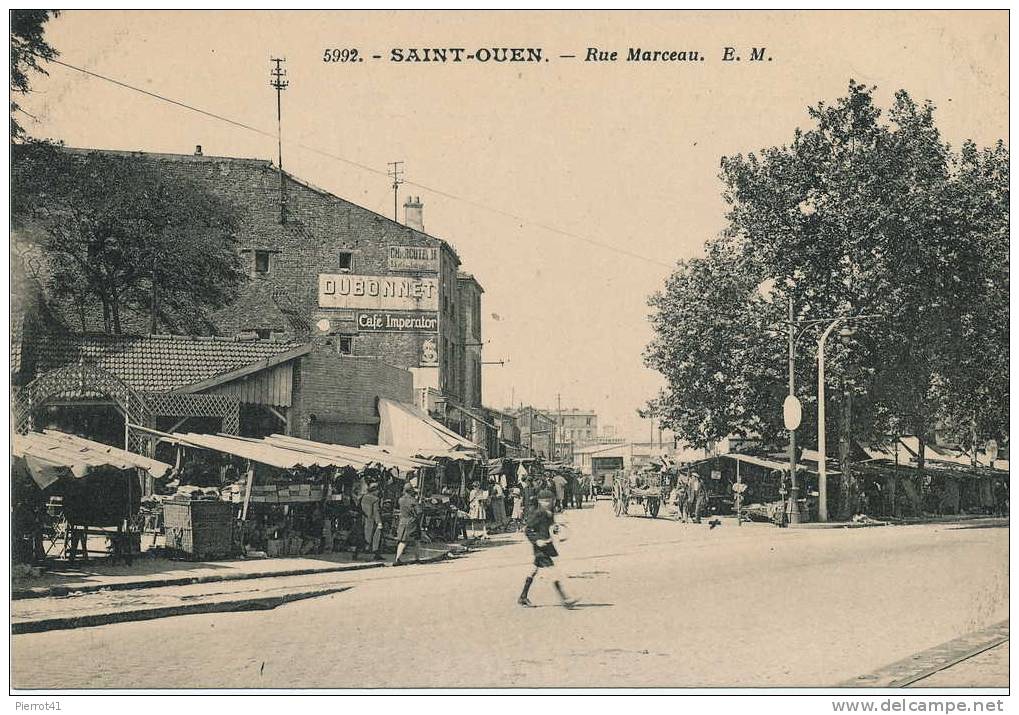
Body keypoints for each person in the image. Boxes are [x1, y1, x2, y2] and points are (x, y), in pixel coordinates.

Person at [517, 489, 577, 609]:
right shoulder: (538, 513)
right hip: (540, 547)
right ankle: (565, 599)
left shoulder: (549, 513)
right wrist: (537, 540)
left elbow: (550, 528)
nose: (548, 503)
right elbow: (528, 529)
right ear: (539, 501)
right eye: (545, 501)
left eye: (550, 500)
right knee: (553, 571)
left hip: (546, 545)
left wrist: (556, 530)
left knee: (533, 570)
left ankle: (523, 596)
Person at [393, 483, 421, 566]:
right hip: (412, 522)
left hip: (403, 521)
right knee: (416, 541)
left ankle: (397, 558)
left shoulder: (400, 500)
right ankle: (417, 559)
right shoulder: (413, 500)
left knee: (402, 541)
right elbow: (419, 511)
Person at [354, 482, 383, 561]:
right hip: (371, 521)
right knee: (375, 538)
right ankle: (375, 554)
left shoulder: (362, 497)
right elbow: (376, 511)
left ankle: (356, 554)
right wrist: (379, 523)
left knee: (361, 537)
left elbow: (358, 508)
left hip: (362, 520)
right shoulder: (375, 499)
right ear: (375, 490)